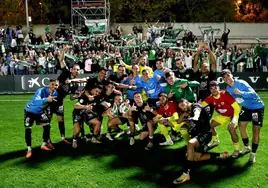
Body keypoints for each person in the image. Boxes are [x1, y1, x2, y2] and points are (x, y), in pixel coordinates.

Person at [173, 99, 228, 184]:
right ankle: (219, 155)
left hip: (206, 134)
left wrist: (194, 117)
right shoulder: (187, 110)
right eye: (180, 107)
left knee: (190, 144)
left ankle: (186, 174)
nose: (183, 108)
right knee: (196, 158)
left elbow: (197, 113)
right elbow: (178, 121)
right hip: (197, 134)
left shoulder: (196, 106)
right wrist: (184, 114)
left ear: (187, 102)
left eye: (183, 105)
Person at [221, 69, 265, 163]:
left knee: (255, 130)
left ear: (231, 75)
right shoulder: (228, 89)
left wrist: (241, 93)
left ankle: (253, 154)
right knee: (241, 127)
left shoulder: (241, 83)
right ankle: (246, 147)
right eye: (224, 77)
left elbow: (253, 94)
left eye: (228, 75)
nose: (226, 78)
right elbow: (232, 103)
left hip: (256, 107)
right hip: (246, 108)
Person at [48, 46, 82, 144]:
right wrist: (63, 50)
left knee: (61, 120)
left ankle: (63, 138)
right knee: (48, 120)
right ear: (72, 70)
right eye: (75, 69)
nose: (76, 71)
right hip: (52, 99)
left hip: (60, 102)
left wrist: (78, 96)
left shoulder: (75, 84)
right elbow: (61, 59)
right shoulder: (66, 72)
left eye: (78, 70)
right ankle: (47, 139)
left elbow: (71, 97)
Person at [202, 81, 241, 158]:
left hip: (233, 115)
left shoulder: (225, 95)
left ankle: (237, 150)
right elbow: (201, 106)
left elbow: (237, 107)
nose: (214, 90)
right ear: (209, 90)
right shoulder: (210, 98)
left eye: (215, 88)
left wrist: (234, 119)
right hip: (223, 116)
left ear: (218, 88)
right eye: (211, 89)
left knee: (231, 129)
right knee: (210, 124)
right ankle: (215, 141)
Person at [24, 79, 58, 158]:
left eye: (56, 85)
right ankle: (29, 149)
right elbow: (36, 100)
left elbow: (48, 104)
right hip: (30, 110)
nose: (54, 86)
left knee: (47, 126)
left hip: (39, 111)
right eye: (52, 84)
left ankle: (44, 144)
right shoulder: (41, 90)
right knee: (28, 129)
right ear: (49, 84)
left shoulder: (55, 93)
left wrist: (47, 111)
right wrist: (46, 99)